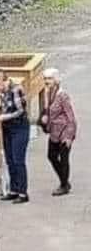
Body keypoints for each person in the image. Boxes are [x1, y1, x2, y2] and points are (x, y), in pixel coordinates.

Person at [0, 68, 30, 204]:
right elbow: (4, 106)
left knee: (18, 159)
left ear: (1, 80)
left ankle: (23, 192)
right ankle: (13, 190)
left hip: (19, 127)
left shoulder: (16, 89)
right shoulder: (2, 93)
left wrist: (4, 117)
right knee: (10, 159)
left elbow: (20, 111)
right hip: (7, 127)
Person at [41, 67, 77, 197]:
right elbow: (47, 110)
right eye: (45, 78)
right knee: (51, 156)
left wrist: (69, 136)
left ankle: (64, 185)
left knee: (64, 158)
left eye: (49, 78)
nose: (46, 81)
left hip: (64, 131)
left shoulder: (63, 95)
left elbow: (71, 117)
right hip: (54, 132)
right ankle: (65, 181)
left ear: (56, 80)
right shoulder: (49, 93)